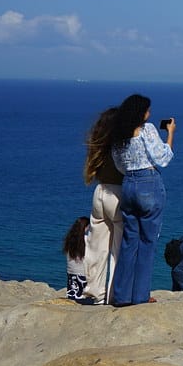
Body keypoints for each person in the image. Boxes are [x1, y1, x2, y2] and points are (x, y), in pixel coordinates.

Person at [110, 94, 174, 306]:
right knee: (148, 241)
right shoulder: (147, 130)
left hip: (128, 183)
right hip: (149, 182)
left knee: (129, 240)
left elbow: (119, 165)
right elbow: (163, 158)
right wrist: (170, 134)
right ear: (140, 113)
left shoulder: (119, 135)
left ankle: (122, 295)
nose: (150, 113)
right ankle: (140, 295)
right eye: (147, 110)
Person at [81, 106, 123, 304]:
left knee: (96, 246)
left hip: (100, 192)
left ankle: (95, 292)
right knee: (118, 248)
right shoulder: (121, 145)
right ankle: (114, 294)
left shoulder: (98, 143)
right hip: (118, 194)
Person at [63, 216, 90, 300]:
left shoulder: (69, 239)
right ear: (85, 227)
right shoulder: (86, 239)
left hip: (71, 272)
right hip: (82, 273)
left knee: (73, 293)